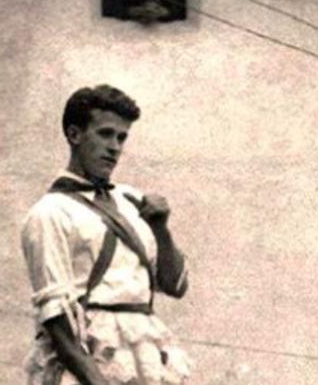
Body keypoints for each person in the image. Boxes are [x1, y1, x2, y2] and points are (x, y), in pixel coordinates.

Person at [21, 85, 192, 384]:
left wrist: (161, 229)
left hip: (144, 357)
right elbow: (57, 321)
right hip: (89, 359)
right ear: (74, 135)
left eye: (122, 137)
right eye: (105, 134)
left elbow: (175, 285)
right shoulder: (50, 212)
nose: (115, 147)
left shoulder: (131, 201)